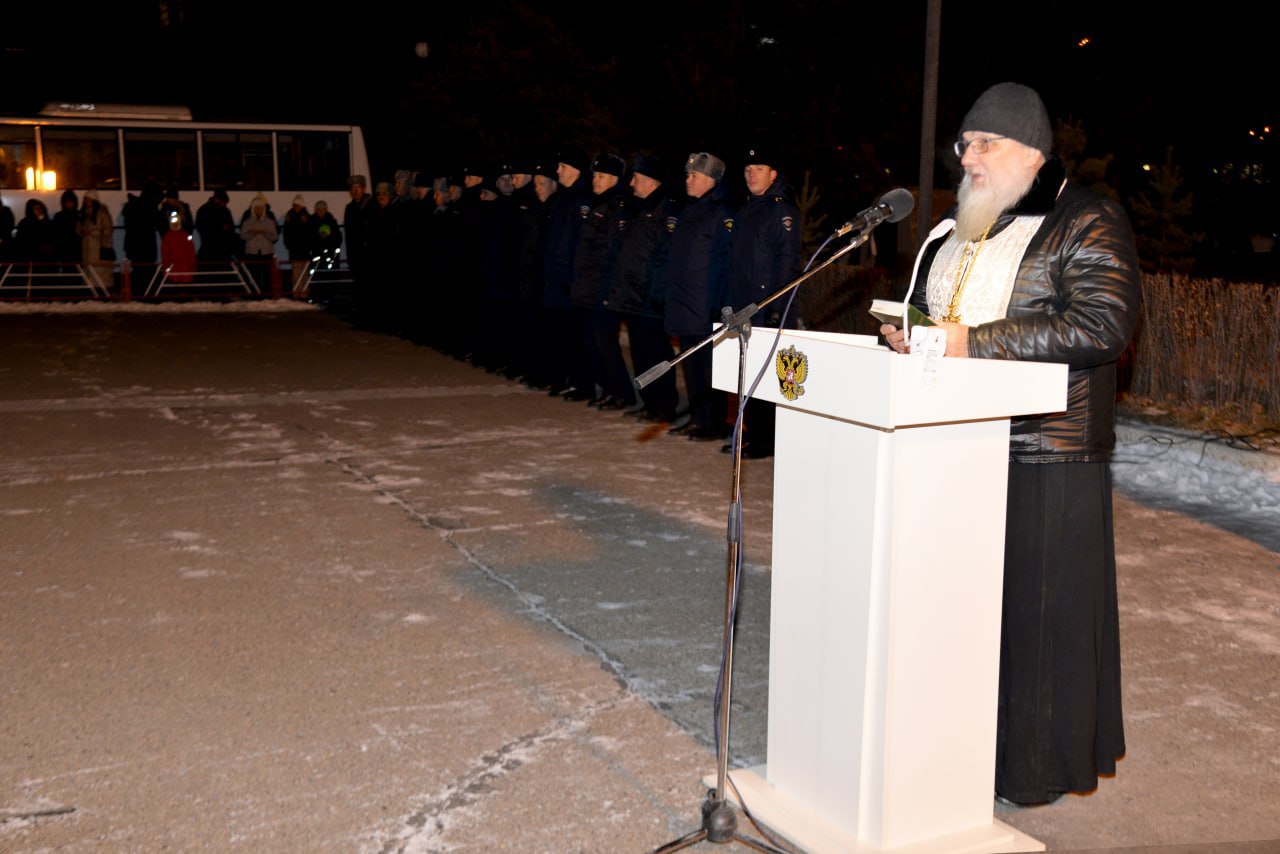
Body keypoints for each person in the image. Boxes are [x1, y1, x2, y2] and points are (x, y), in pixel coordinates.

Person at [880, 81, 1140, 806]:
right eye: (965, 146)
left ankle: (1035, 769)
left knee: (1038, 619)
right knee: (969, 615)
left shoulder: (1084, 219)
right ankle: (963, 749)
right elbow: (934, 308)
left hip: (1045, 452)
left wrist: (970, 344)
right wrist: (908, 327)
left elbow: (1101, 326)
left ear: (1031, 151)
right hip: (955, 449)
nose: (969, 159)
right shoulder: (960, 224)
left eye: (986, 144)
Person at [724, 145, 802, 458]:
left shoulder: (782, 212)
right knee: (747, 375)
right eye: (747, 170)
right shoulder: (747, 210)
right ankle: (752, 434)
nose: (751, 175)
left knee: (767, 379)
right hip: (745, 307)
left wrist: (776, 310)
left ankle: (766, 441)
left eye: (758, 169)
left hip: (767, 308)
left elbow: (787, 264)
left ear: (773, 174)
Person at [665, 151, 734, 440]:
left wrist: (719, 304)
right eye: (687, 174)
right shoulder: (690, 209)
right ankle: (697, 417)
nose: (687, 180)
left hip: (704, 303)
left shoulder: (721, 213)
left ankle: (713, 422)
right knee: (691, 364)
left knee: (708, 368)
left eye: (693, 175)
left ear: (710, 180)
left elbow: (726, 261)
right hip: (685, 301)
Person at [607, 153, 681, 420]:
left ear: (650, 181)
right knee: (640, 353)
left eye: (636, 178)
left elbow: (663, 258)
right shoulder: (638, 209)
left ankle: (664, 406)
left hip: (651, 299)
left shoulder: (666, 210)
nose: (631, 184)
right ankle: (650, 402)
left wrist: (655, 294)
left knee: (656, 353)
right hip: (634, 297)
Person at [240, 193, 278, 292]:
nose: (259, 210)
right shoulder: (247, 222)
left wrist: (265, 233)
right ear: (253, 209)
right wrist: (253, 233)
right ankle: (255, 294)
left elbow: (275, 237)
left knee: (266, 275)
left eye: (260, 208)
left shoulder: (270, 221)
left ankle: (267, 294)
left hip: (266, 252)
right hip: (252, 252)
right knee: (254, 275)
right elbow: (242, 236)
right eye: (256, 208)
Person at [78, 190, 115, 289]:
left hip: (99, 248)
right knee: (89, 271)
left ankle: (103, 290)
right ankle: (90, 289)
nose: (87, 201)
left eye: (89, 199)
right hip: (86, 249)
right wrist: (81, 232)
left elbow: (108, 231)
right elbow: (77, 228)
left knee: (100, 273)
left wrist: (92, 232)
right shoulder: (82, 214)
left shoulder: (102, 214)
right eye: (86, 199)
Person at [195, 189, 238, 264]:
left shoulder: (204, 209)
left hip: (222, 249)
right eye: (222, 202)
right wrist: (220, 228)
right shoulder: (204, 210)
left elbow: (231, 228)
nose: (223, 204)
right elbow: (202, 228)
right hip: (210, 248)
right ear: (216, 199)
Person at [282, 195, 313, 292]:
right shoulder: (289, 217)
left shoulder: (307, 217)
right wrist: (289, 245)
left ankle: (304, 292)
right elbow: (286, 232)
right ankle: (296, 292)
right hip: (294, 250)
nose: (296, 207)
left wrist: (307, 223)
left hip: (305, 250)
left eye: (298, 205)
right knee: (296, 273)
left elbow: (311, 232)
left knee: (304, 273)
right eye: (294, 205)